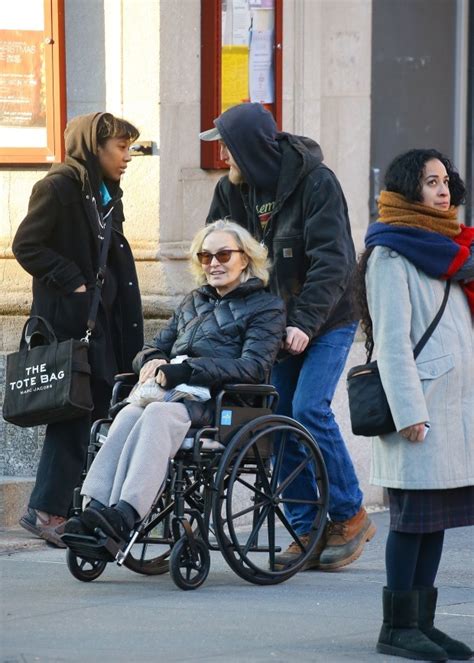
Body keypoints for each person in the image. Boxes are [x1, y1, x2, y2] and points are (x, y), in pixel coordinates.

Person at [200, 102, 374, 570]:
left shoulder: (316, 182)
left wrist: (303, 323)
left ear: (251, 147)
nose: (224, 159)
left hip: (328, 316)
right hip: (271, 323)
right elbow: (215, 251)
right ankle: (304, 525)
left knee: (307, 408)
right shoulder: (230, 191)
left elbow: (334, 262)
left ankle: (349, 513)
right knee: (273, 417)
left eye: (228, 150)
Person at [63, 220, 286, 540]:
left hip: (223, 403)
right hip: (173, 394)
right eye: (205, 256)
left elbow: (253, 367)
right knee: (128, 413)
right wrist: (151, 360)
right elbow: (156, 345)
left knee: (156, 414)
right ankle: (95, 508)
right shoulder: (194, 301)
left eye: (223, 255)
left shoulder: (267, 306)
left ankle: (127, 513)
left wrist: (189, 370)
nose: (214, 264)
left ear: (245, 258)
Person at [356, 149, 473, 661]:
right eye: (431, 182)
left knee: (435, 521)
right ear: (409, 190)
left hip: (452, 407)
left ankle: (421, 622)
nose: (443, 190)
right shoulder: (391, 253)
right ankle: (397, 627)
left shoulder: (448, 248)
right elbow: (392, 342)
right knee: (409, 521)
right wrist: (409, 413)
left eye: (446, 180)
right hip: (419, 408)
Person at [12, 113, 144, 547]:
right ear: (94, 146)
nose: (127, 157)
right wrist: (72, 279)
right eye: (120, 147)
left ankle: (75, 507)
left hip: (102, 322)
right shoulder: (58, 186)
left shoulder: (105, 194)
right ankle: (44, 510)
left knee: (100, 407)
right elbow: (26, 244)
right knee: (73, 413)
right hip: (70, 322)